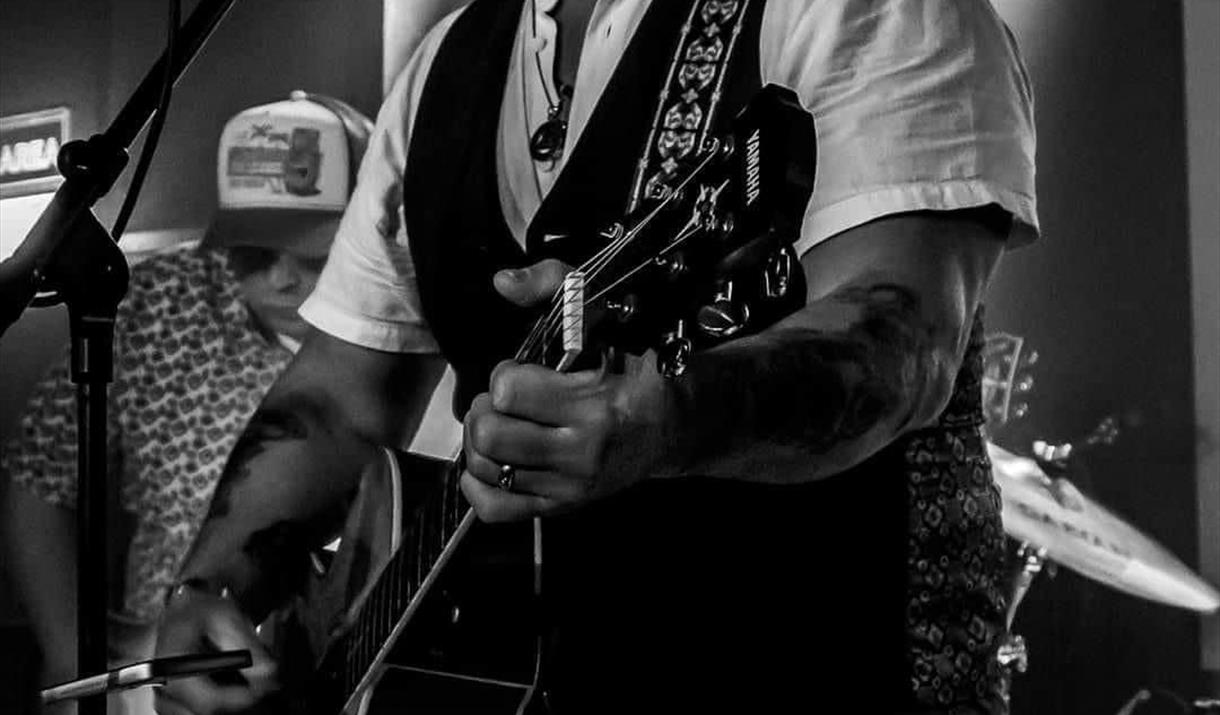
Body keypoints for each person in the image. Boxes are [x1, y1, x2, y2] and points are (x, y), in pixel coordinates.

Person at [153, 1, 1039, 712]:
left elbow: (904, 336)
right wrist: (210, 582)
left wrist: (672, 420)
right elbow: (340, 400)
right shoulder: (444, 68)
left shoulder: (869, 10)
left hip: (831, 660)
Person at [0, 91, 373, 712]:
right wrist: (76, 661)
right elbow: (38, 479)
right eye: (255, 253)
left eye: (313, 255)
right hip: (151, 678)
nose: (281, 278)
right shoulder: (170, 299)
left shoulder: (414, 338)